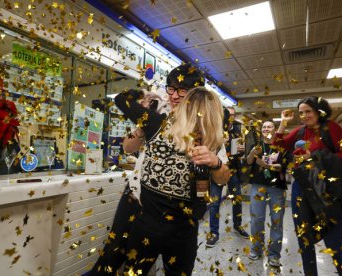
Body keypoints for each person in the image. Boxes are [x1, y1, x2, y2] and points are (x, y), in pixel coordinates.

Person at [88, 64, 206, 275]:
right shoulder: (158, 111)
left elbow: (213, 173)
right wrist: (142, 126)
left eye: (182, 90)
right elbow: (127, 147)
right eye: (171, 88)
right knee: (113, 252)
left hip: (169, 209)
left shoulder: (205, 124)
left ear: (195, 94)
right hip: (135, 193)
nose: (174, 96)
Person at [115, 87, 230, 275]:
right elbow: (120, 102)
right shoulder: (157, 123)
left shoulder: (211, 141)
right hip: (148, 224)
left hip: (184, 229)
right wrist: (143, 94)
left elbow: (223, 179)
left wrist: (215, 162)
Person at [274, 96, 342, 276]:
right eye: (301, 113)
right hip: (301, 188)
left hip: (327, 191)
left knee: (333, 242)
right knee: (304, 240)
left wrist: (315, 157)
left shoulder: (331, 128)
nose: (304, 116)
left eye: (308, 112)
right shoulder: (300, 132)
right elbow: (278, 145)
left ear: (319, 112)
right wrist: (282, 123)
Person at [246, 120, 289, 267]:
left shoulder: (281, 146)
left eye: (269, 126)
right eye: (264, 127)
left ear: (275, 129)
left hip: (277, 188)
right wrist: (252, 152)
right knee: (256, 219)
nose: (266, 129)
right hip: (258, 187)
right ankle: (256, 249)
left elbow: (285, 166)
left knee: (277, 222)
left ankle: (274, 255)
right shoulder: (257, 145)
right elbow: (248, 162)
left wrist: (269, 166)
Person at [206, 106, 249, 247]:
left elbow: (239, 154)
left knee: (237, 199)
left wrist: (242, 151)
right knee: (215, 202)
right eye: (227, 115)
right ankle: (214, 232)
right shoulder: (215, 130)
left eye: (232, 115)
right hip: (216, 171)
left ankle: (238, 226)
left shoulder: (237, 132)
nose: (229, 118)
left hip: (233, 171)